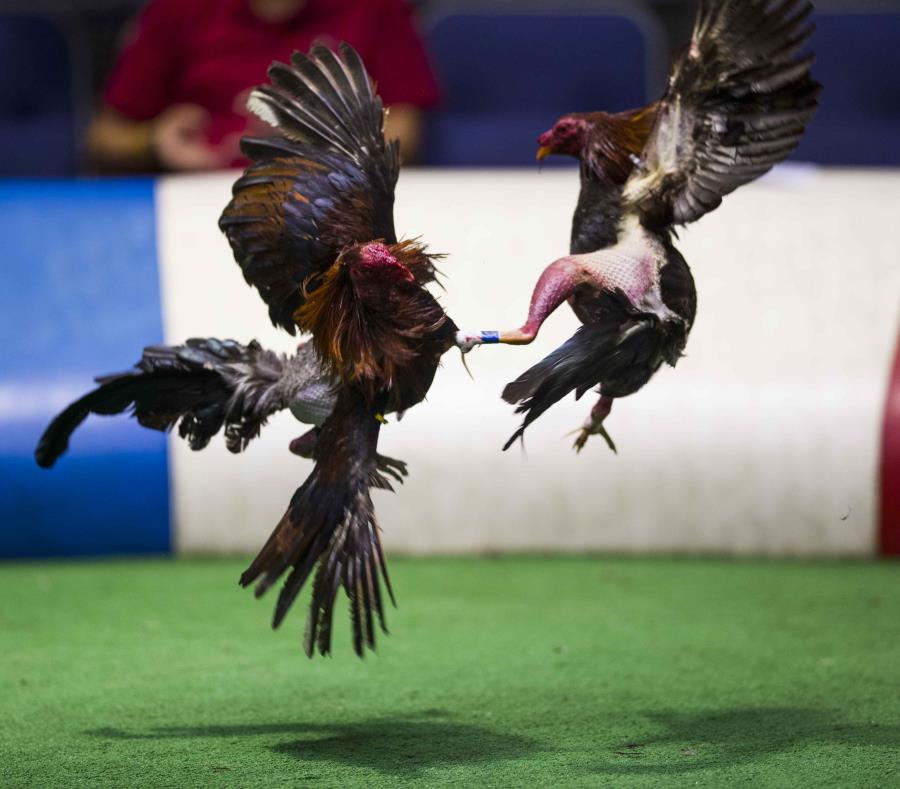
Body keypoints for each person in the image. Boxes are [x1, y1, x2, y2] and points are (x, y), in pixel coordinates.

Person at [87, 0, 440, 171]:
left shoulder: (373, 7)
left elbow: (404, 129)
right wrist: (153, 142)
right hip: (199, 202)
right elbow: (104, 138)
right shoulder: (178, 9)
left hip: (336, 203)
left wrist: (340, 142)